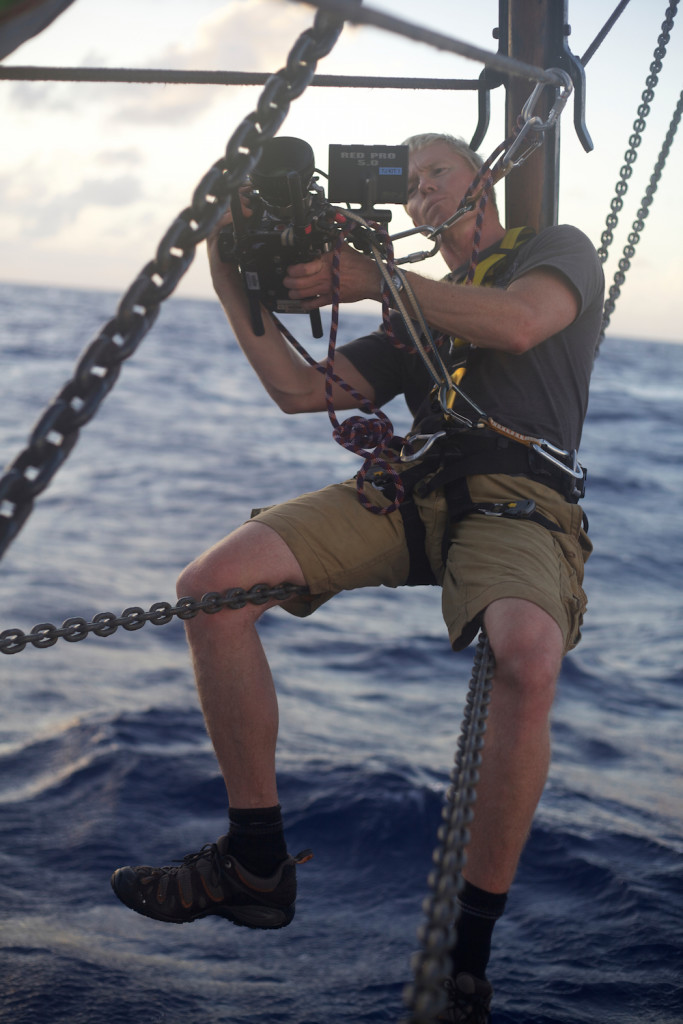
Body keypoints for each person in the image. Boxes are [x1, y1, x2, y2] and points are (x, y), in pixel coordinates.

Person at [110, 133, 604, 1023]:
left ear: (482, 180)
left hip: (518, 498)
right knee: (211, 589)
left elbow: (521, 322)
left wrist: (378, 279)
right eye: (410, 186)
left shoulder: (552, 250)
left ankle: (467, 955)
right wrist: (228, 274)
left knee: (527, 654)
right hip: (410, 489)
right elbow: (304, 392)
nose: (421, 195)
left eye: (435, 175)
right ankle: (253, 861)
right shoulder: (408, 317)